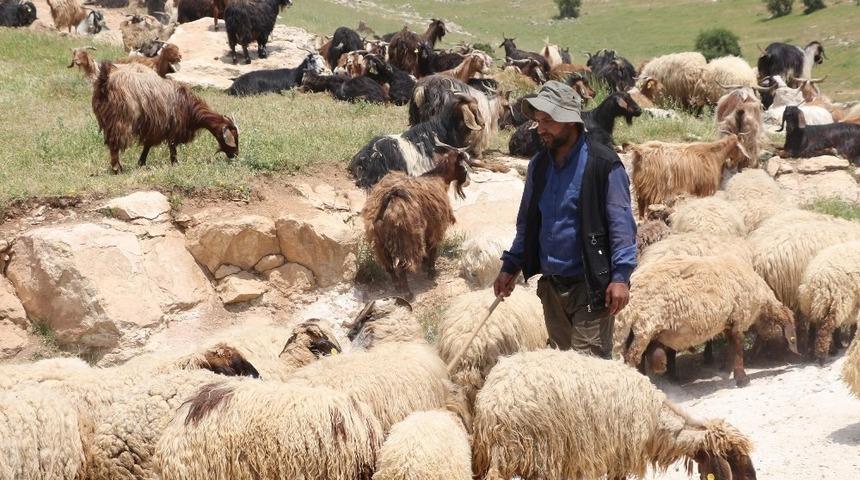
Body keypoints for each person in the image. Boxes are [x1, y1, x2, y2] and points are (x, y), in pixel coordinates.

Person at [493, 80, 637, 357]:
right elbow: (527, 224)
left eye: (548, 120)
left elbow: (622, 228)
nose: (540, 129)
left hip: (591, 287)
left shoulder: (603, 165)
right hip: (552, 289)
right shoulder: (539, 166)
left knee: (587, 370)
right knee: (560, 370)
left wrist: (621, 278)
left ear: (571, 121)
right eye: (538, 121)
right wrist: (511, 266)